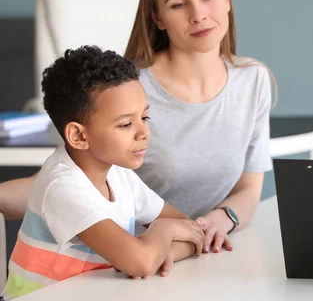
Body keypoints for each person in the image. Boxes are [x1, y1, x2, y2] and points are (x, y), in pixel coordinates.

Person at [0, 0, 275, 255]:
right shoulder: (127, 88)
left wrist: (221, 219)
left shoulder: (254, 80)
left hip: (208, 255)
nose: (198, 15)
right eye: (177, 4)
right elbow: (62, 184)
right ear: (157, 17)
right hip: (130, 263)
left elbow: (249, 189)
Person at [2, 46, 205, 300]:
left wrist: (159, 255)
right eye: (126, 124)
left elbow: (190, 231)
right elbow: (141, 262)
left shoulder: (119, 174)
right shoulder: (63, 188)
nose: (144, 133)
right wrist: (162, 233)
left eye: (145, 117)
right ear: (78, 135)